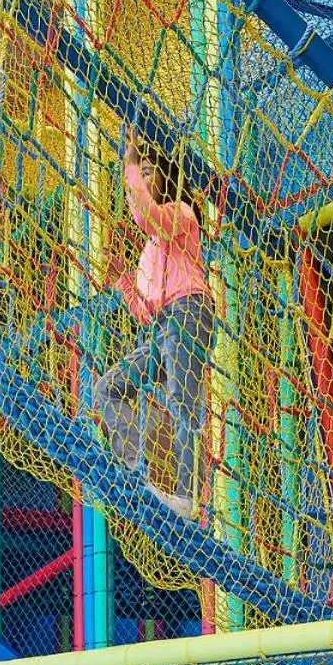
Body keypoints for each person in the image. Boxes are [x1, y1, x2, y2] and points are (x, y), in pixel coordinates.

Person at [97, 132, 214, 518]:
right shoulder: (150, 250)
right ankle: (134, 471)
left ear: (164, 179)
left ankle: (187, 495)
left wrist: (130, 165)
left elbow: (148, 215)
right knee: (108, 388)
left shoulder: (181, 214)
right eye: (141, 173)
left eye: (150, 173)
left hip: (190, 313)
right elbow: (145, 312)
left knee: (183, 403)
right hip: (163, 325)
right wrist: (122, 282)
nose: (143, 180)